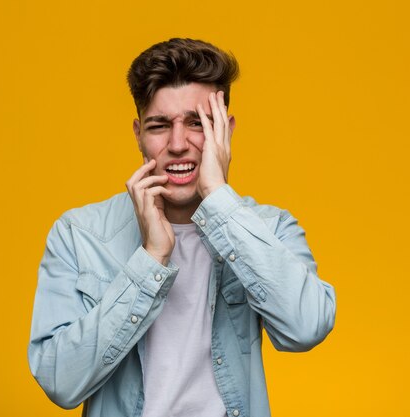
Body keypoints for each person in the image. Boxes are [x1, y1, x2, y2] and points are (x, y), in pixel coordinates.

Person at [28, 38, 336, 417]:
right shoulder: (78, 235)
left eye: (197, 123)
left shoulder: (270, 228)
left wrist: (218, 199)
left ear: (226, 130)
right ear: (139, 134)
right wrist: (151, 259)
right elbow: (60, 382)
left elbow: (307, 327)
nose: (178, 144)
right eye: (160, 125)